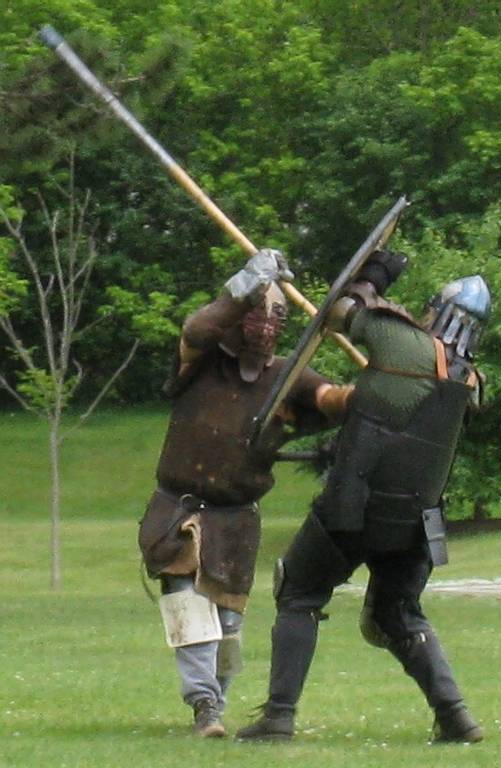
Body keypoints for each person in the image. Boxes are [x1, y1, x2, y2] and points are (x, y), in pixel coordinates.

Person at [236, 250, 491, 745]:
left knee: (298, 591)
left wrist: (375, 276)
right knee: (399, 614)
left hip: (356, 505)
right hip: (416, 522)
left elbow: (339, 313)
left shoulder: (404, 343)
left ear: (439, 312)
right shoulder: (471, 381)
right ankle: (456, 717)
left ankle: (279, 716)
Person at [138, 249, 353, 737]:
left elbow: (332, 399)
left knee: (228, 628)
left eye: (276, 316)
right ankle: (204, 705)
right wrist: (244, 286)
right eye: (258, 312)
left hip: (236, 520)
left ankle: (216, 700)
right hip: (179, 512)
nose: (266, 324)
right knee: (187, 605)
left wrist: (378, 390)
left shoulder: (288, 377)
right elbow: (198, 329)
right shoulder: (201, 361)